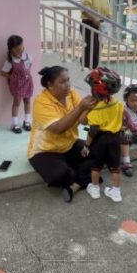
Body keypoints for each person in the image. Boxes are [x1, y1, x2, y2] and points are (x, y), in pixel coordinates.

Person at [28, 66, 97, 203]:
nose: (68, 85)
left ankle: (75, 185)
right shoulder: (41, 102)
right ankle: (83, 177)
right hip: (45, 150)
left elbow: (83, 120)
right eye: (62, 82)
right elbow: (58, 128)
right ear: (50, 85)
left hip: (69, 144)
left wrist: (95, 104)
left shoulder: (72, 94)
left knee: (97, 153)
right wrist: (80, 108)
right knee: (59, 175)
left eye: (68, 80)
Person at [81, 67, 124, 202]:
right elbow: (121, 120)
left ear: (96, 90)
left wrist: (86, 145)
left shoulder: (96, 108)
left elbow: (93, 129)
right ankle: (116, 192)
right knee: (115, 167)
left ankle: (95, 190)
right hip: (115, 139)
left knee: (96, 166)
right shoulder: (118, 104)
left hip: (100, 140)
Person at [1, 35, 33, 134]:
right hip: (18, 85)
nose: (20, 49)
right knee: (17, 103)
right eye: (17, 48)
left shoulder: (27, 57)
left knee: (27, 101)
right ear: (12, 49)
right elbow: (2, 73)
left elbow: (29, 67)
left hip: (28, 82)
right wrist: (12, 77)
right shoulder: (10, 61)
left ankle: (27, 121)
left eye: (21, 46)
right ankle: (15, 123)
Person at [80, 0, 112, 69]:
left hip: (101, 25)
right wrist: (94, 19)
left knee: (98, 47)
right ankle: (85, 65)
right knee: (92, 45)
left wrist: (108, 20)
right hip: (88, 23)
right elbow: (85, 10)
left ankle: (93, 66)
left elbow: (108, 12)